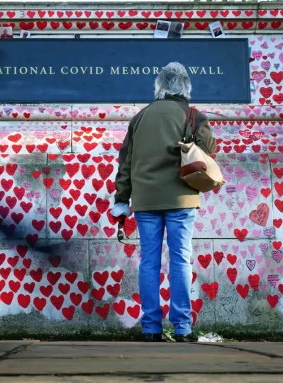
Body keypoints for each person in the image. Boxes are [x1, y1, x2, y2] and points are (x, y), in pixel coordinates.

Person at [111, 63, 216, 343]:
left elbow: (126, 163)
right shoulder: (192, 115)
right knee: (180, 259)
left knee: (149, 262)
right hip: (181, 197)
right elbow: (209, 150)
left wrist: (121, 199)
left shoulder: (140, 116)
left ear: (159, 87)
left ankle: (151, 329)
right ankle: (182, 328)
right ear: (186, 87)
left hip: (145, 200)